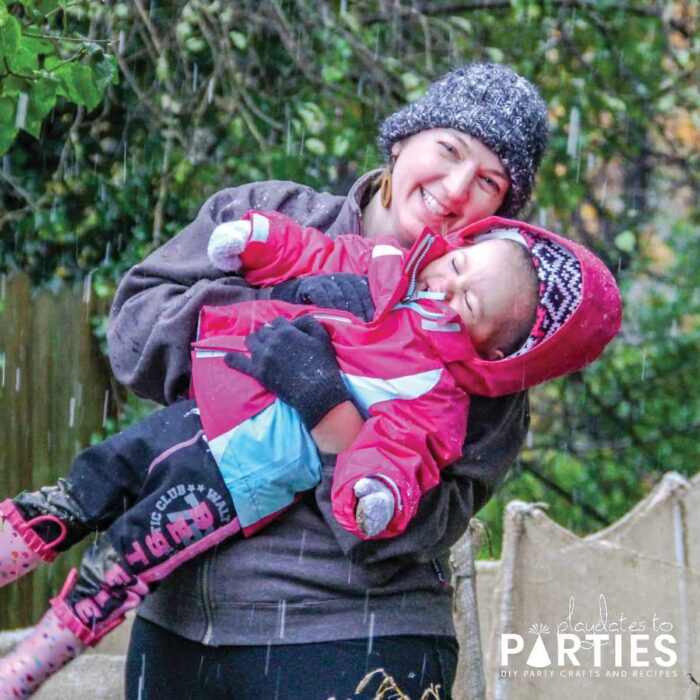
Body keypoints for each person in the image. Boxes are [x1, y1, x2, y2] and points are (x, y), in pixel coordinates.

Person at [0, 208, 621, 697]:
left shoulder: (439, 396)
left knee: (131, 554)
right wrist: (257, 240)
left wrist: (362, 472)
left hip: (242, 474)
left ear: (495, 355)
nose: (445, 291)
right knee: (92, 479)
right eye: (457, 270)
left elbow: (396, 456)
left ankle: (37, 656)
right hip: (205, 405)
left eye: (469, 305)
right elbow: (311, 250)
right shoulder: (382, 264)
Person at [116, 62, 550, 699]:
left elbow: (419, 524)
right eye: (449, 150)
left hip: (359, 639)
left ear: (500, 211)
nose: (456, 188)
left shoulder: (488, 343)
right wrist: (270, 320)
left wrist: (330, 409)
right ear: (404, 140)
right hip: (179, 623)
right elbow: (134, 331)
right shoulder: (268, 214)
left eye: (488, 180)